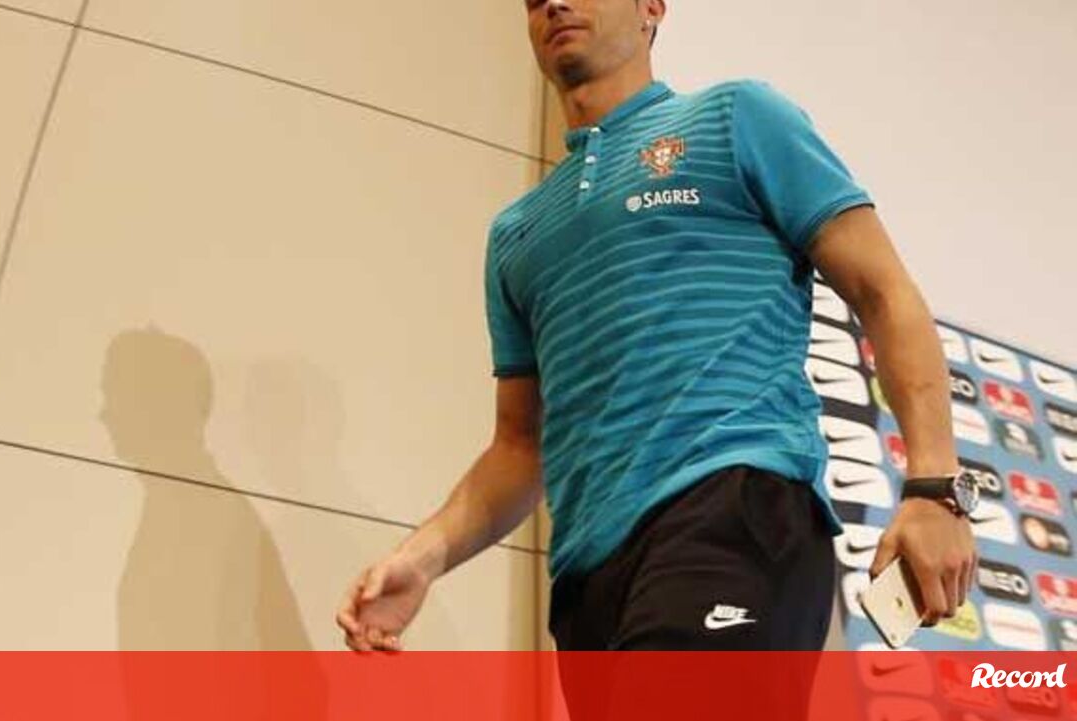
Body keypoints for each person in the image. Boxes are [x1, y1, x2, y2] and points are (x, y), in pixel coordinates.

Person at [336, 0, 975, 661]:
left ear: (651, 7)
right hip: (587, 576)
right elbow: (520, 447)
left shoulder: (738, 118)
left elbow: (884, 292)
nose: (553, 2)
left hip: (733, 508)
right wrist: (424, 556)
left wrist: (937, 490)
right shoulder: (515, 236)